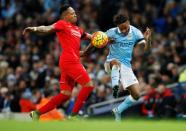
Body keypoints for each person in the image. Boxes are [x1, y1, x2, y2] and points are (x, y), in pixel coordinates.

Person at [23, 4, 94, 120]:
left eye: (75, 12)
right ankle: (74, 116)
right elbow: (47, 28)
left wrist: (104, 39)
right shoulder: (62, 24)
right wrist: (35, 29)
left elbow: (91, 42)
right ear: (65, 16)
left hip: (71, 60)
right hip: (69, 61)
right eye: (72, 13)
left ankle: (36, 114)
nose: (75, 14)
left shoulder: (78, 30)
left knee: (65, 95)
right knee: (88, 85)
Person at [104, 14, 152, 121]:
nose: (124, 30)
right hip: (110, 63)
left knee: (136, 95)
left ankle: (118, 110)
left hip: (126, 66)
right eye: (122, 29)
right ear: (117, 27)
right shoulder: (111, 32)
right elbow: (97, 42)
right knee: (116, 62)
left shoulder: (136, 32)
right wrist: (106, 41)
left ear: (129, 22)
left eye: (126, 27)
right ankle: (115, 85)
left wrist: (147, 40)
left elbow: (146, 50)